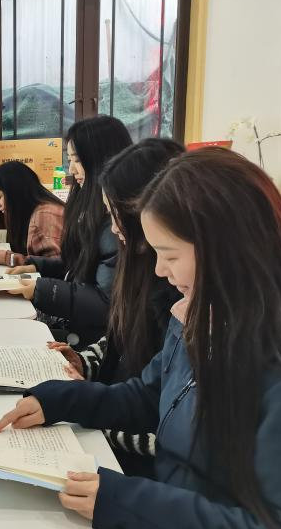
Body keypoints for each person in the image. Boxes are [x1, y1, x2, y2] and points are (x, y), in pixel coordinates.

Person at [0, 148, 281, 529]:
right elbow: (149, 396)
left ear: (227, 248)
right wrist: (59, 399)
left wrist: (132, 502)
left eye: (170, 255)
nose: (160, 270)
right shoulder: (201, 313)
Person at [49, 138, 184, 475]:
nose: (112, 227)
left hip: (138, 462)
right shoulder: (143, 266)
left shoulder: (181, 294)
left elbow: (171, 434)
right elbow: (122, 340)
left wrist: (91, 418)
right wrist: (84, 363)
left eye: (115, 215)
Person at [6, 115, 133, 346]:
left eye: (77, 159)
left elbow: (106, 301)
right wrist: (37, 265)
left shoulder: (115, 224)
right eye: (70, 159)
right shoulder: (87, 206)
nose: (72, 169)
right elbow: (78, 266)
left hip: (94, 340)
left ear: (102, 160)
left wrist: (42, 289)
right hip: (77, 325)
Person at [0, 161, 65, 266]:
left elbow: (56, 266)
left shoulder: (45, 214)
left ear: (16, 192)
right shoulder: (30, 213)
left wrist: (10, 259)